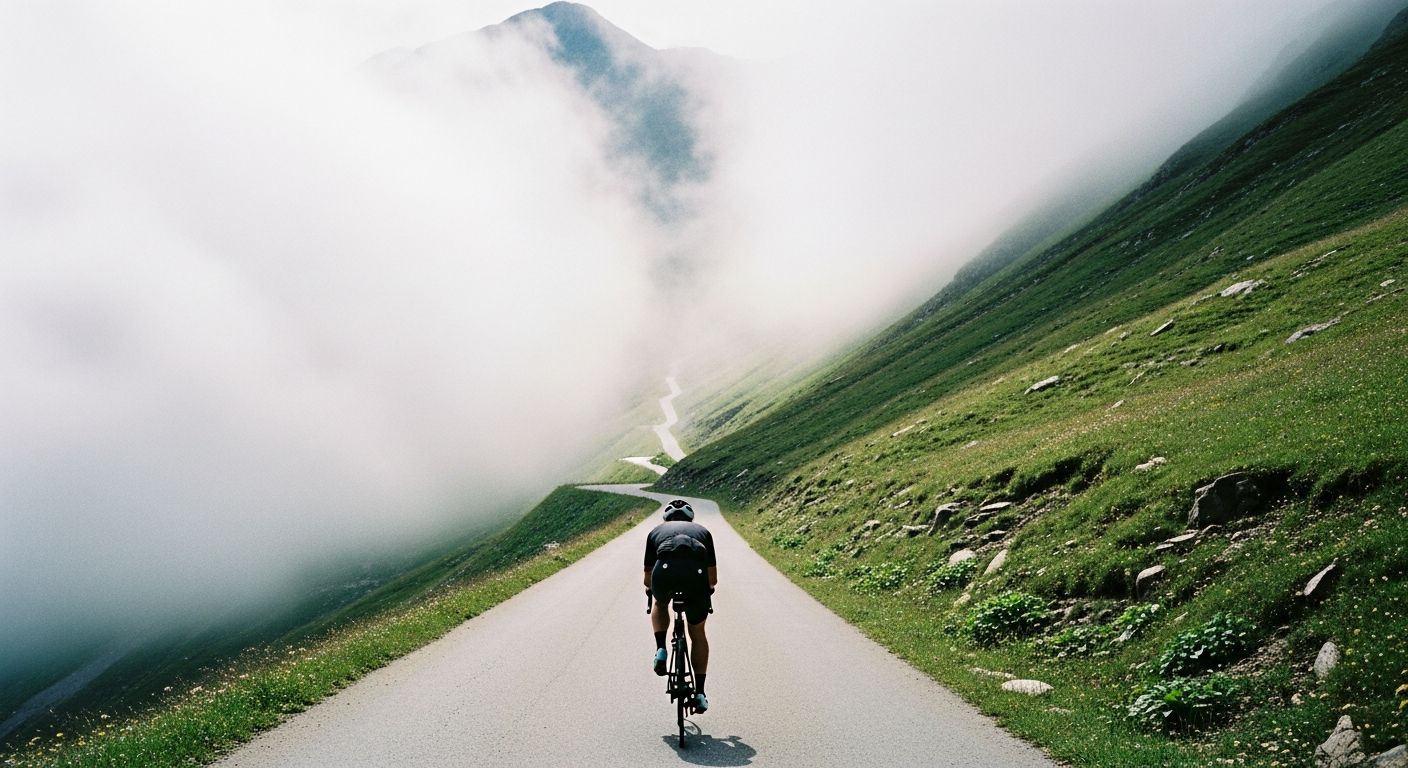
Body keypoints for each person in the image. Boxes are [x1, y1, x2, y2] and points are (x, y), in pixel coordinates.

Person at [644, 498, 717, 713]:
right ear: (691, 517)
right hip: (696, 577)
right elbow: (712, 579)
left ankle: (661, 650)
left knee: (659, 602)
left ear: (666, 518)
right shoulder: (703, 532)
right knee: (697, 632)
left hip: (664, 574)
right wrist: (705, 592)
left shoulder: (655, 532)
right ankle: (700, 693)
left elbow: (647, 578)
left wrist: (652, 590)